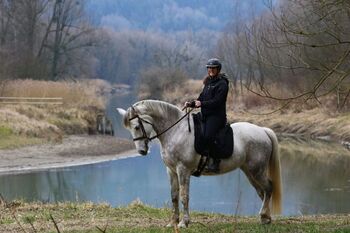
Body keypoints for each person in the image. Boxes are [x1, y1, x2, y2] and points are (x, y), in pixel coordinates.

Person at [184, 58, 229, 173]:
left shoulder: (222, 84)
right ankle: (197, 159)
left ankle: (216, 161)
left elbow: (217, 102)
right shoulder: (208, 82)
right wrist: (192, 103)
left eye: (213, 68)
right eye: (209, 68)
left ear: (218, 69)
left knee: (208, 136)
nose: (210, 70)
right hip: (205, 114)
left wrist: (202, 103)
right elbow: (201, 97)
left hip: (217, 116)